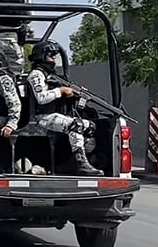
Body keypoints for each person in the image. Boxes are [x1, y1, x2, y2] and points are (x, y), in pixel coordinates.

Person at [26, 40, 102, 176]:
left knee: (90, 125)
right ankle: (80, 163)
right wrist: (61, 91)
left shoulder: (50, 76)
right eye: (51, 56)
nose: (53, 60)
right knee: (75, 124)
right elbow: (41, 98)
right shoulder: (36, 75)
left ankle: (75, 160)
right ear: (42, 56)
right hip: (40, 118)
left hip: (53, 116)